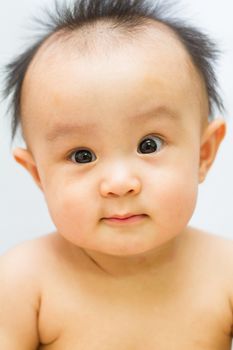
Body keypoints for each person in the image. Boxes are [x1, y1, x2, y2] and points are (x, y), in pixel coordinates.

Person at [1, 0, 232, 348]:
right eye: (82, 155)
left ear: (204, 153)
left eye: (149, 145)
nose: (120, 184)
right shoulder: (23, 281)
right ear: (38, 174)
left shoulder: (225, 272)